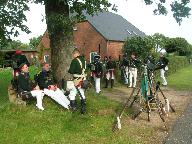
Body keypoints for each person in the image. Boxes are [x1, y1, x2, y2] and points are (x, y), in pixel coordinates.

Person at [68, 49, 87, 114]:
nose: (73, 56)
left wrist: (69, 70)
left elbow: (71, 71)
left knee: (72, 93)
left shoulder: (75, 60)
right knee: (81, 93)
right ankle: (83, 108)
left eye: (73, 54)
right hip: (83, 79)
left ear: (76, 53)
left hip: (77, 80)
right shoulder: (84, 60)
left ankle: (73, 108)